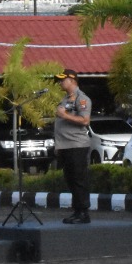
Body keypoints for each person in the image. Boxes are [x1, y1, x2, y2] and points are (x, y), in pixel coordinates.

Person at [54, 69, 93, 225]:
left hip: (77, 145)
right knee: (70, 179)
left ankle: (83, 212)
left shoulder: (82, 99)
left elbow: (85, 121)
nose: (60, 82)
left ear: (72, 80)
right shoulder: (65, 99)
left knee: (79, 179)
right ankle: (77, 211)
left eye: (63, 80)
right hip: (65, 145)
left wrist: (64, 115)